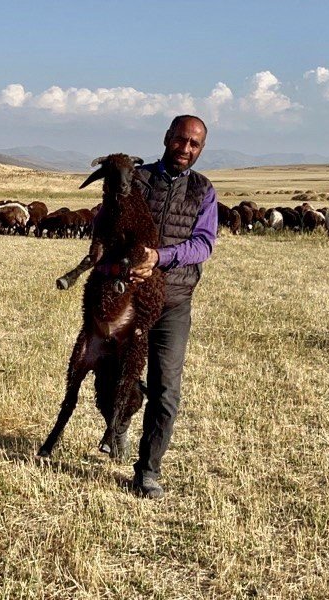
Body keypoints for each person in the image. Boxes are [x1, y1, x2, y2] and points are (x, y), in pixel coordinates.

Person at [123, 114, 216, 499]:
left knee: (166, 390)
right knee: (117, 374)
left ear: (201, 149)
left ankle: (148, 470)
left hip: (174, 303)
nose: (185, 149)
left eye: (194, 144)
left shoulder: (203, 190)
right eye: (180, 140)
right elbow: (112, 225)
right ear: (167, 138)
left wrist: (159, 257)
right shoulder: (137, 180)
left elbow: (204, 244)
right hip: (128, 297)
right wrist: (128, 261)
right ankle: (120, 420)